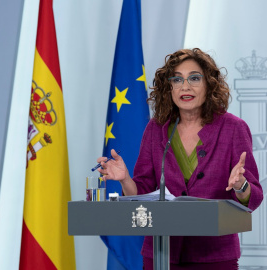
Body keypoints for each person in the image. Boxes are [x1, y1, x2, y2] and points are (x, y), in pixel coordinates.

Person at [97, 48, 263, 270]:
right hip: (161, 255)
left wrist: (241, 185)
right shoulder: (156, 129)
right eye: (177, 79)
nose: (185, 86)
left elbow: (254, 197)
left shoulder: (233, 128)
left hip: (214, 257)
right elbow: (143, 191)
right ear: (170, 88)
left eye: (194, 78)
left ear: (209, 84)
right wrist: (125, 179)